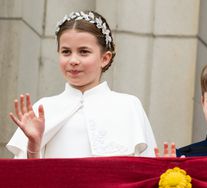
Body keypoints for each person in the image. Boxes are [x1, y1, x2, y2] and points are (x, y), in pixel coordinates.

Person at [6, 11, 157, 159]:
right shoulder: (42, 109)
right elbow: (25, 179)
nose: (73, 60)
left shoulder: (128, 106)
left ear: (105, 58)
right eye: (66, 52)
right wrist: (33, 146)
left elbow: (147, 171)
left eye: (83, 52)